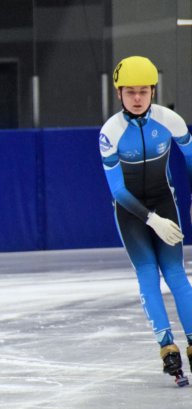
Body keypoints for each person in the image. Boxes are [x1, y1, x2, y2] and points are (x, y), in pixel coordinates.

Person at [99, 56, 192, 386]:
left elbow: (191, 158)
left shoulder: (170, 121)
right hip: (131, 211)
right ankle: (167, 345)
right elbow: (118, 190)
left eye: (143, 91)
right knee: (147, 274)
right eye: (130, 92)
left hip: (165, 202)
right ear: (119, 94)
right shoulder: (110, 133)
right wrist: (151, 219)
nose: (137, 98)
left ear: (153, 91)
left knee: (176, 273)